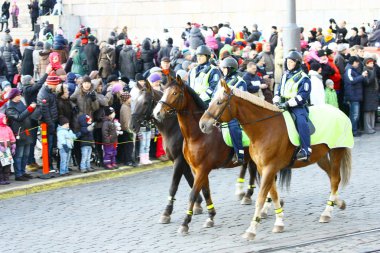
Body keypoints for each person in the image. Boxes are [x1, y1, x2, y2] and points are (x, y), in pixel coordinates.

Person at [273, 50, 312, 161]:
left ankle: (306, 150)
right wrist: (276, 98)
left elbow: (302, 96)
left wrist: (287, 103)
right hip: (283, 103)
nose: (289, 64)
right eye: (288, 62)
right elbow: (279, 89)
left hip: (297, 106)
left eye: (292, 62)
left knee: (301, 121)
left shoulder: (304, 78)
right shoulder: (285, 75)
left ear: (298, 63)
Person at [219, 57, 247, 163]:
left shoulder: (240, 82)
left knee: (233, 125)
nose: (223, 70)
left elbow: (241, 100)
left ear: (230, 69)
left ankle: (240, 154)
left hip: (235, 111)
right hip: (221, 109)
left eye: (225, 68)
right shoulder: (223, 81)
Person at [5, 88, 36, 181]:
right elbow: (19, 117)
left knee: (26, 154)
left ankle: (23, 172)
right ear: (14, 96)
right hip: (18, 132)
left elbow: (25, 113)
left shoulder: (20, 102)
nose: (20, 96)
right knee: (19, 155)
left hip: (26, 131)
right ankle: (18, 174)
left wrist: (31, 109)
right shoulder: (10, 107)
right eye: (18, 95)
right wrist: (30, 108)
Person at [37, 71, 60, 171]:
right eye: (56, 84)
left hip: (52, 122)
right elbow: (45, 113)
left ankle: (50, 165)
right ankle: (48, 166)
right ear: (52, 84)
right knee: (48, 146)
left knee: (51, 145)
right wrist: (51, 125)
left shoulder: (49, 92)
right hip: (47, 124)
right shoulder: (44, 94)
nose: (57, 86)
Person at [343, 56, 368, 137]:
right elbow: (351, 80)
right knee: (354, 115)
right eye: (357, 62)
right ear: (353, 62)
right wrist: (362, 76)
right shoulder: (349, 70)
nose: (358, 64)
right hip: (353, 96)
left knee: (354, 114)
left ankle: (354, 130)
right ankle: (354, 131)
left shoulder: (352, 69)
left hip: (355, 95)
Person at [362, 57, 379, 134]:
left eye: (372, 63)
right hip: (368, 93)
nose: (372, 64)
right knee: (368, 111)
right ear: (366, 64)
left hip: (373, 93)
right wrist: (373, 73)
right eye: (370, 63)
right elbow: (367, 82)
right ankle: (368, 128)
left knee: (372, 111)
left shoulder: (372, 70)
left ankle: (372, 127)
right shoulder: (365, 70)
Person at [0, 112, 15, 184]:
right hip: (0, 151)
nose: (5, 119)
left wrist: (13, 145)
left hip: (7, 150)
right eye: (4, 118)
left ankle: (6, 178)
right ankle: (1, 179)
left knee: (7, 165)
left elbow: (12, 137)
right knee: (1, 165)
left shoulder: (8, 128)